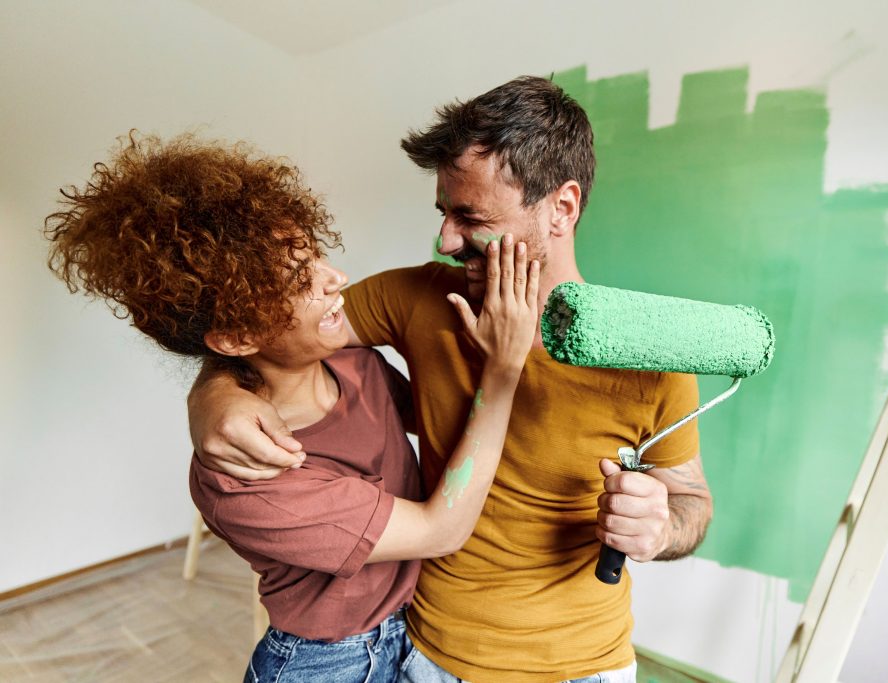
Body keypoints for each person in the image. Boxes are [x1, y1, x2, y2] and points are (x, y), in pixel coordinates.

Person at [190, 76, 713, 682]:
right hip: (426, 653)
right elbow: (272, 330)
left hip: (581, 665)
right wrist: (215, 396)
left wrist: (659, 527)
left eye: (471, 217)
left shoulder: (649, 353)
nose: (445, 240)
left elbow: (692, 504)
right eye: (444, 213)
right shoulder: (417, 297)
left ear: (561, 209)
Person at [45, 132, 540, 682]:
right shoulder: (251, 478)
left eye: (317, 257)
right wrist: (502, 372)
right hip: (324, 662)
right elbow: (437, 531)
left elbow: (441, 421)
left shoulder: (356, 365)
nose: (336, 279)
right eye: (300, 279)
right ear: (235, 336)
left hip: (412, 632)